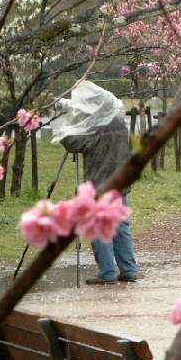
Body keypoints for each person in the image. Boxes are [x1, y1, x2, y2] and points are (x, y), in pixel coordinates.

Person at [54, 81, 138, 285]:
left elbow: (73, 142)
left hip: (99, 185)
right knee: (121, 226)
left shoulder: (94, 129)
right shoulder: (119, 122)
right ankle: (129, 269)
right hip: (121, 183)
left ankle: (107, 272)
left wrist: (66, 120)